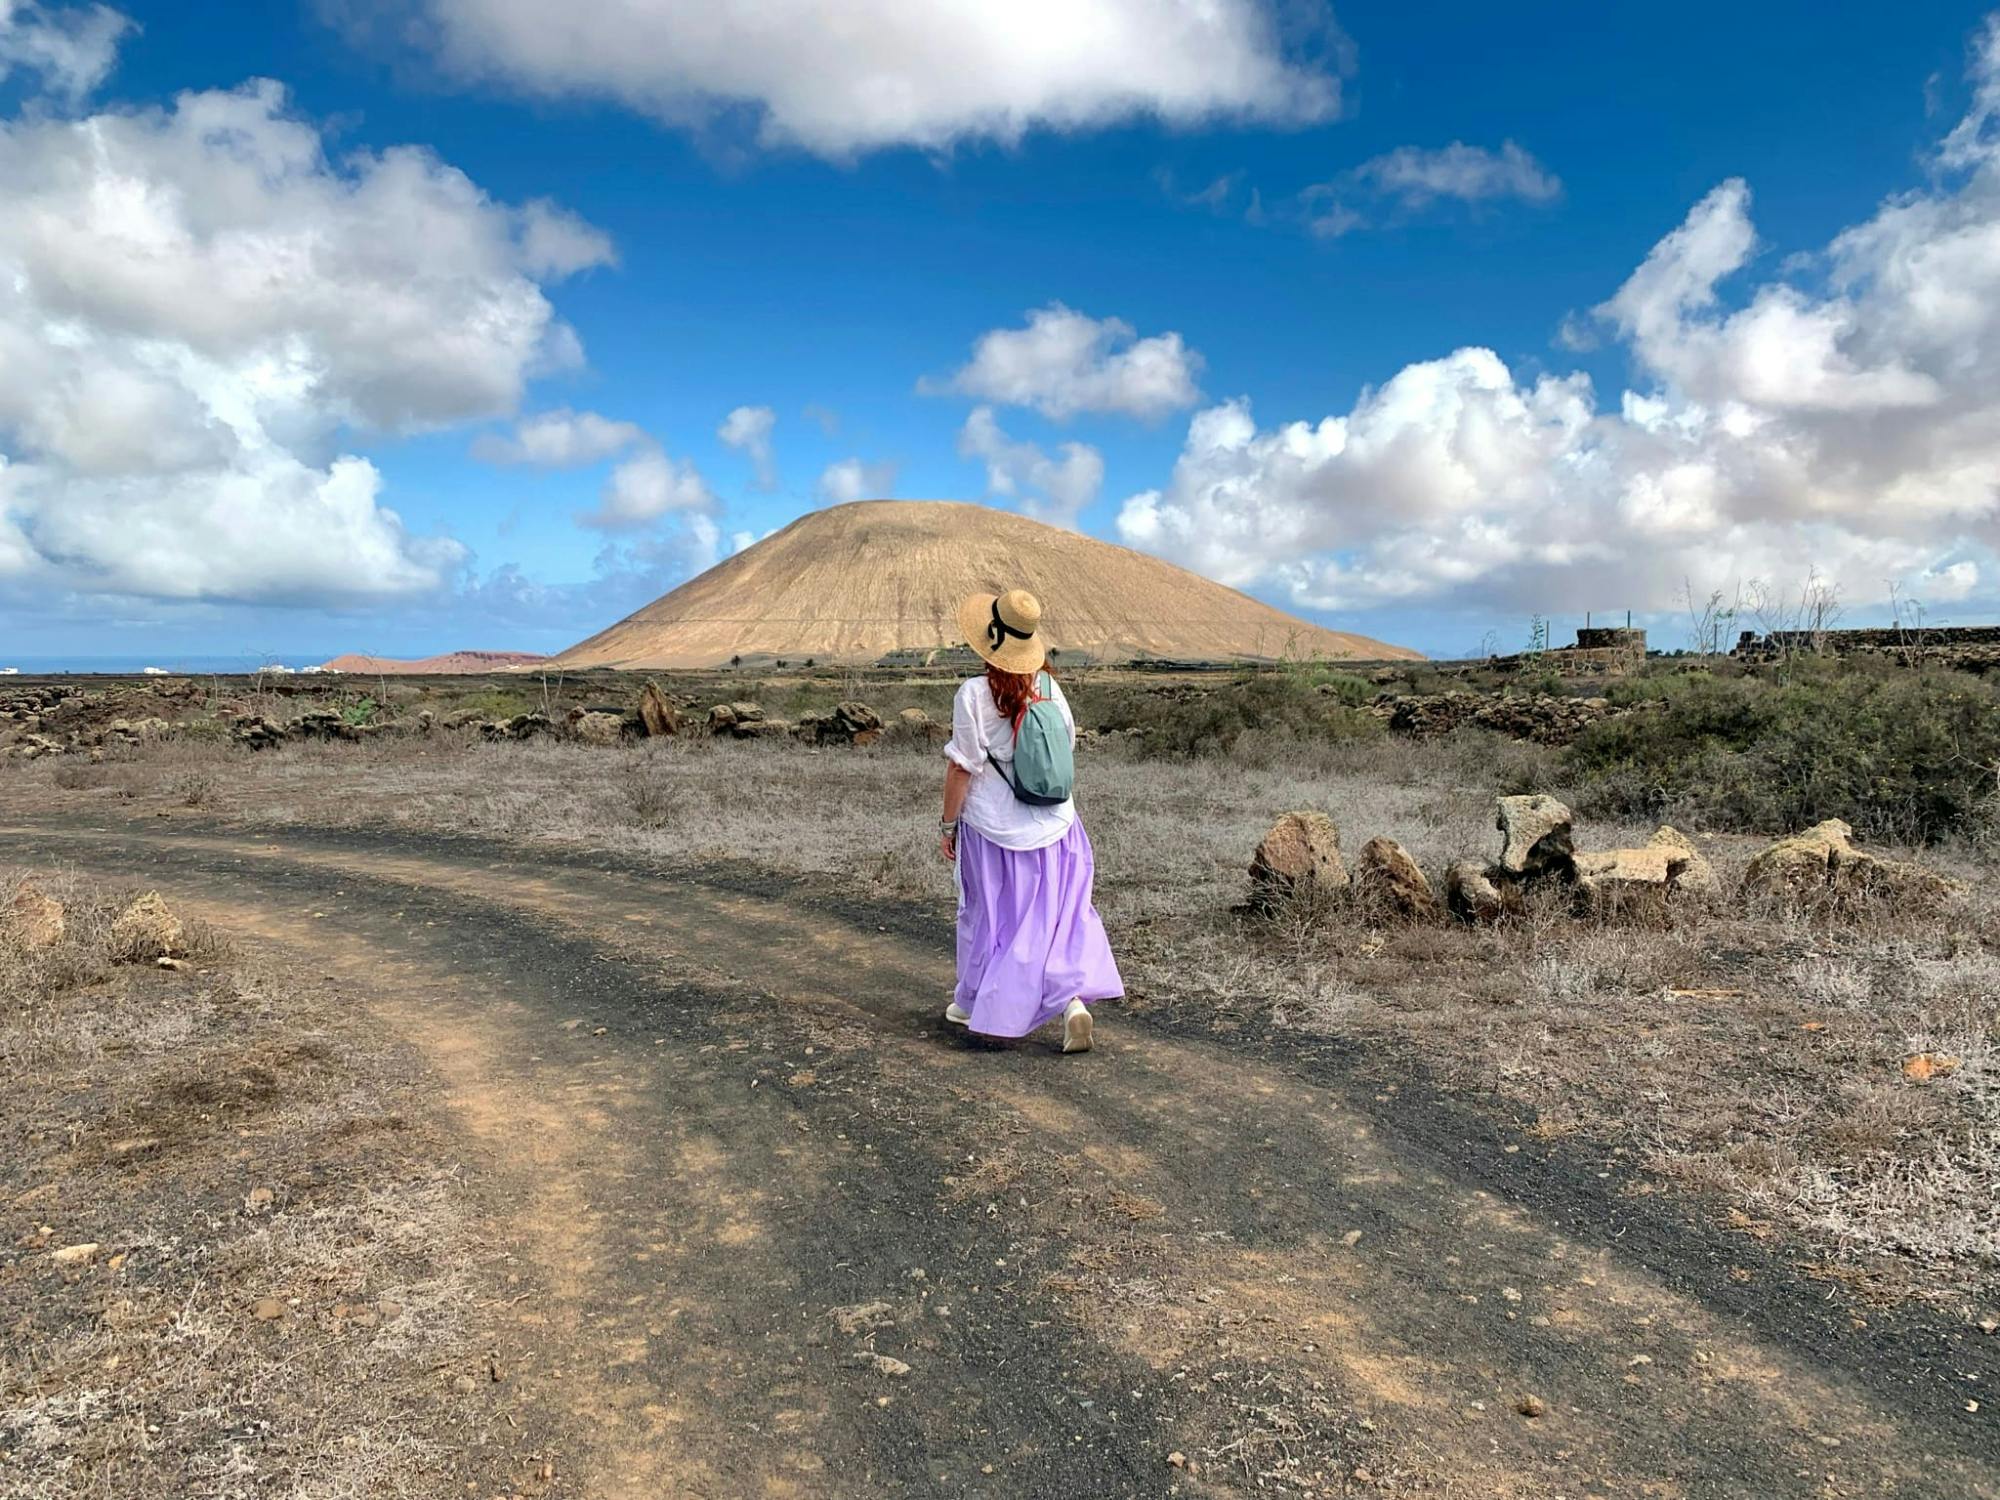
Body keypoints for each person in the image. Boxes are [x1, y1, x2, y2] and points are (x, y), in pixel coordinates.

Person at [937, 587, 1123, 1052]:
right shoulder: (1050, 688)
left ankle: (978, 998)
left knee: (992, 917)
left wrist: (947, 825)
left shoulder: (973, 695)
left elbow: (963, 766)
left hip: (996, 832)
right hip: (1059, 827)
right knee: (1058, 919)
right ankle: (1072, 1001)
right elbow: (1066, 746)